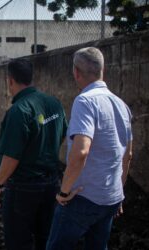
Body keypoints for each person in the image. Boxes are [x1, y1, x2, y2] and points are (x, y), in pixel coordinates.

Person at [46, 47, 133, 250]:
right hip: (111, 198)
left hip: (82, 198)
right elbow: (127, 155)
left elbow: (81, 152)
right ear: (103, 70)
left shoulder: (85, 101)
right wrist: (119, 191)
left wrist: (64, 192)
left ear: (76, 72)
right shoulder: (122, 105)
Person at [0, 58, 67, 250]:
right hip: (51, 184)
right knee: (45, 236)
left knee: (18, 241)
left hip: (24, 188)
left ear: (10, 81)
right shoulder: (54, 103)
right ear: (31, 78)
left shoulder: (18, 111)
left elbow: (11, 157)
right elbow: (62, 133)